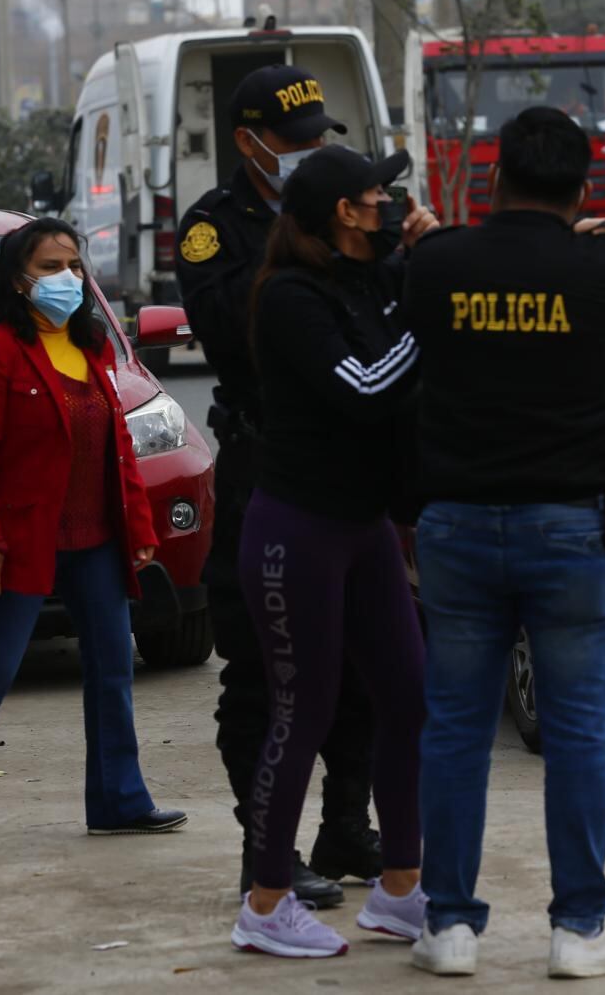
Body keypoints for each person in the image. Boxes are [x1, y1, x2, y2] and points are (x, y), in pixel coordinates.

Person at [402, 106, 605, 979]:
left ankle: (449, 926)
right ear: (584, 186)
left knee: (454, 729)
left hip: (455, 524)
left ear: (495, 178)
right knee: (578, 733)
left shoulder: (438, 262)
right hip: (572, 529)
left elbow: (431, 289)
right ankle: (580, 927)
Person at [0, 218, 186, 856]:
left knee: (113, 669)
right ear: (18, 279)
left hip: (98, 542)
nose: (68, 278)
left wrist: (139, 526)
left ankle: (119, 803)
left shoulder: (93, 346)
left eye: (74, 266)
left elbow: (116, 445)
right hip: (23, 540)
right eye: (51, 267)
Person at [175, 64, 382, 908]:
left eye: (317, 141)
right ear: (247, 142)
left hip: (350, 462)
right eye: (293, 143)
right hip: (264, 464)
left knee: (363, 660)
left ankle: (346, 825)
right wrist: (300, 243)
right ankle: (267, 847)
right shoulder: (213, 228)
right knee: (264, 669)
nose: (307, 154)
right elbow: (234, 329)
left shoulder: (341, 211)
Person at [227, 145, 439, 958]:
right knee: (303, 709)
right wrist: (422, 309)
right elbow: (367, 387)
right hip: (298, 528)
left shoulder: (373, 275)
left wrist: (424, 268)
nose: (391, 202)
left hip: (365, 525)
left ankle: (400, 889)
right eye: (378, 193)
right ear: (344, 212)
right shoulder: (289, 295)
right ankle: (265, 901)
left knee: (407, 697)